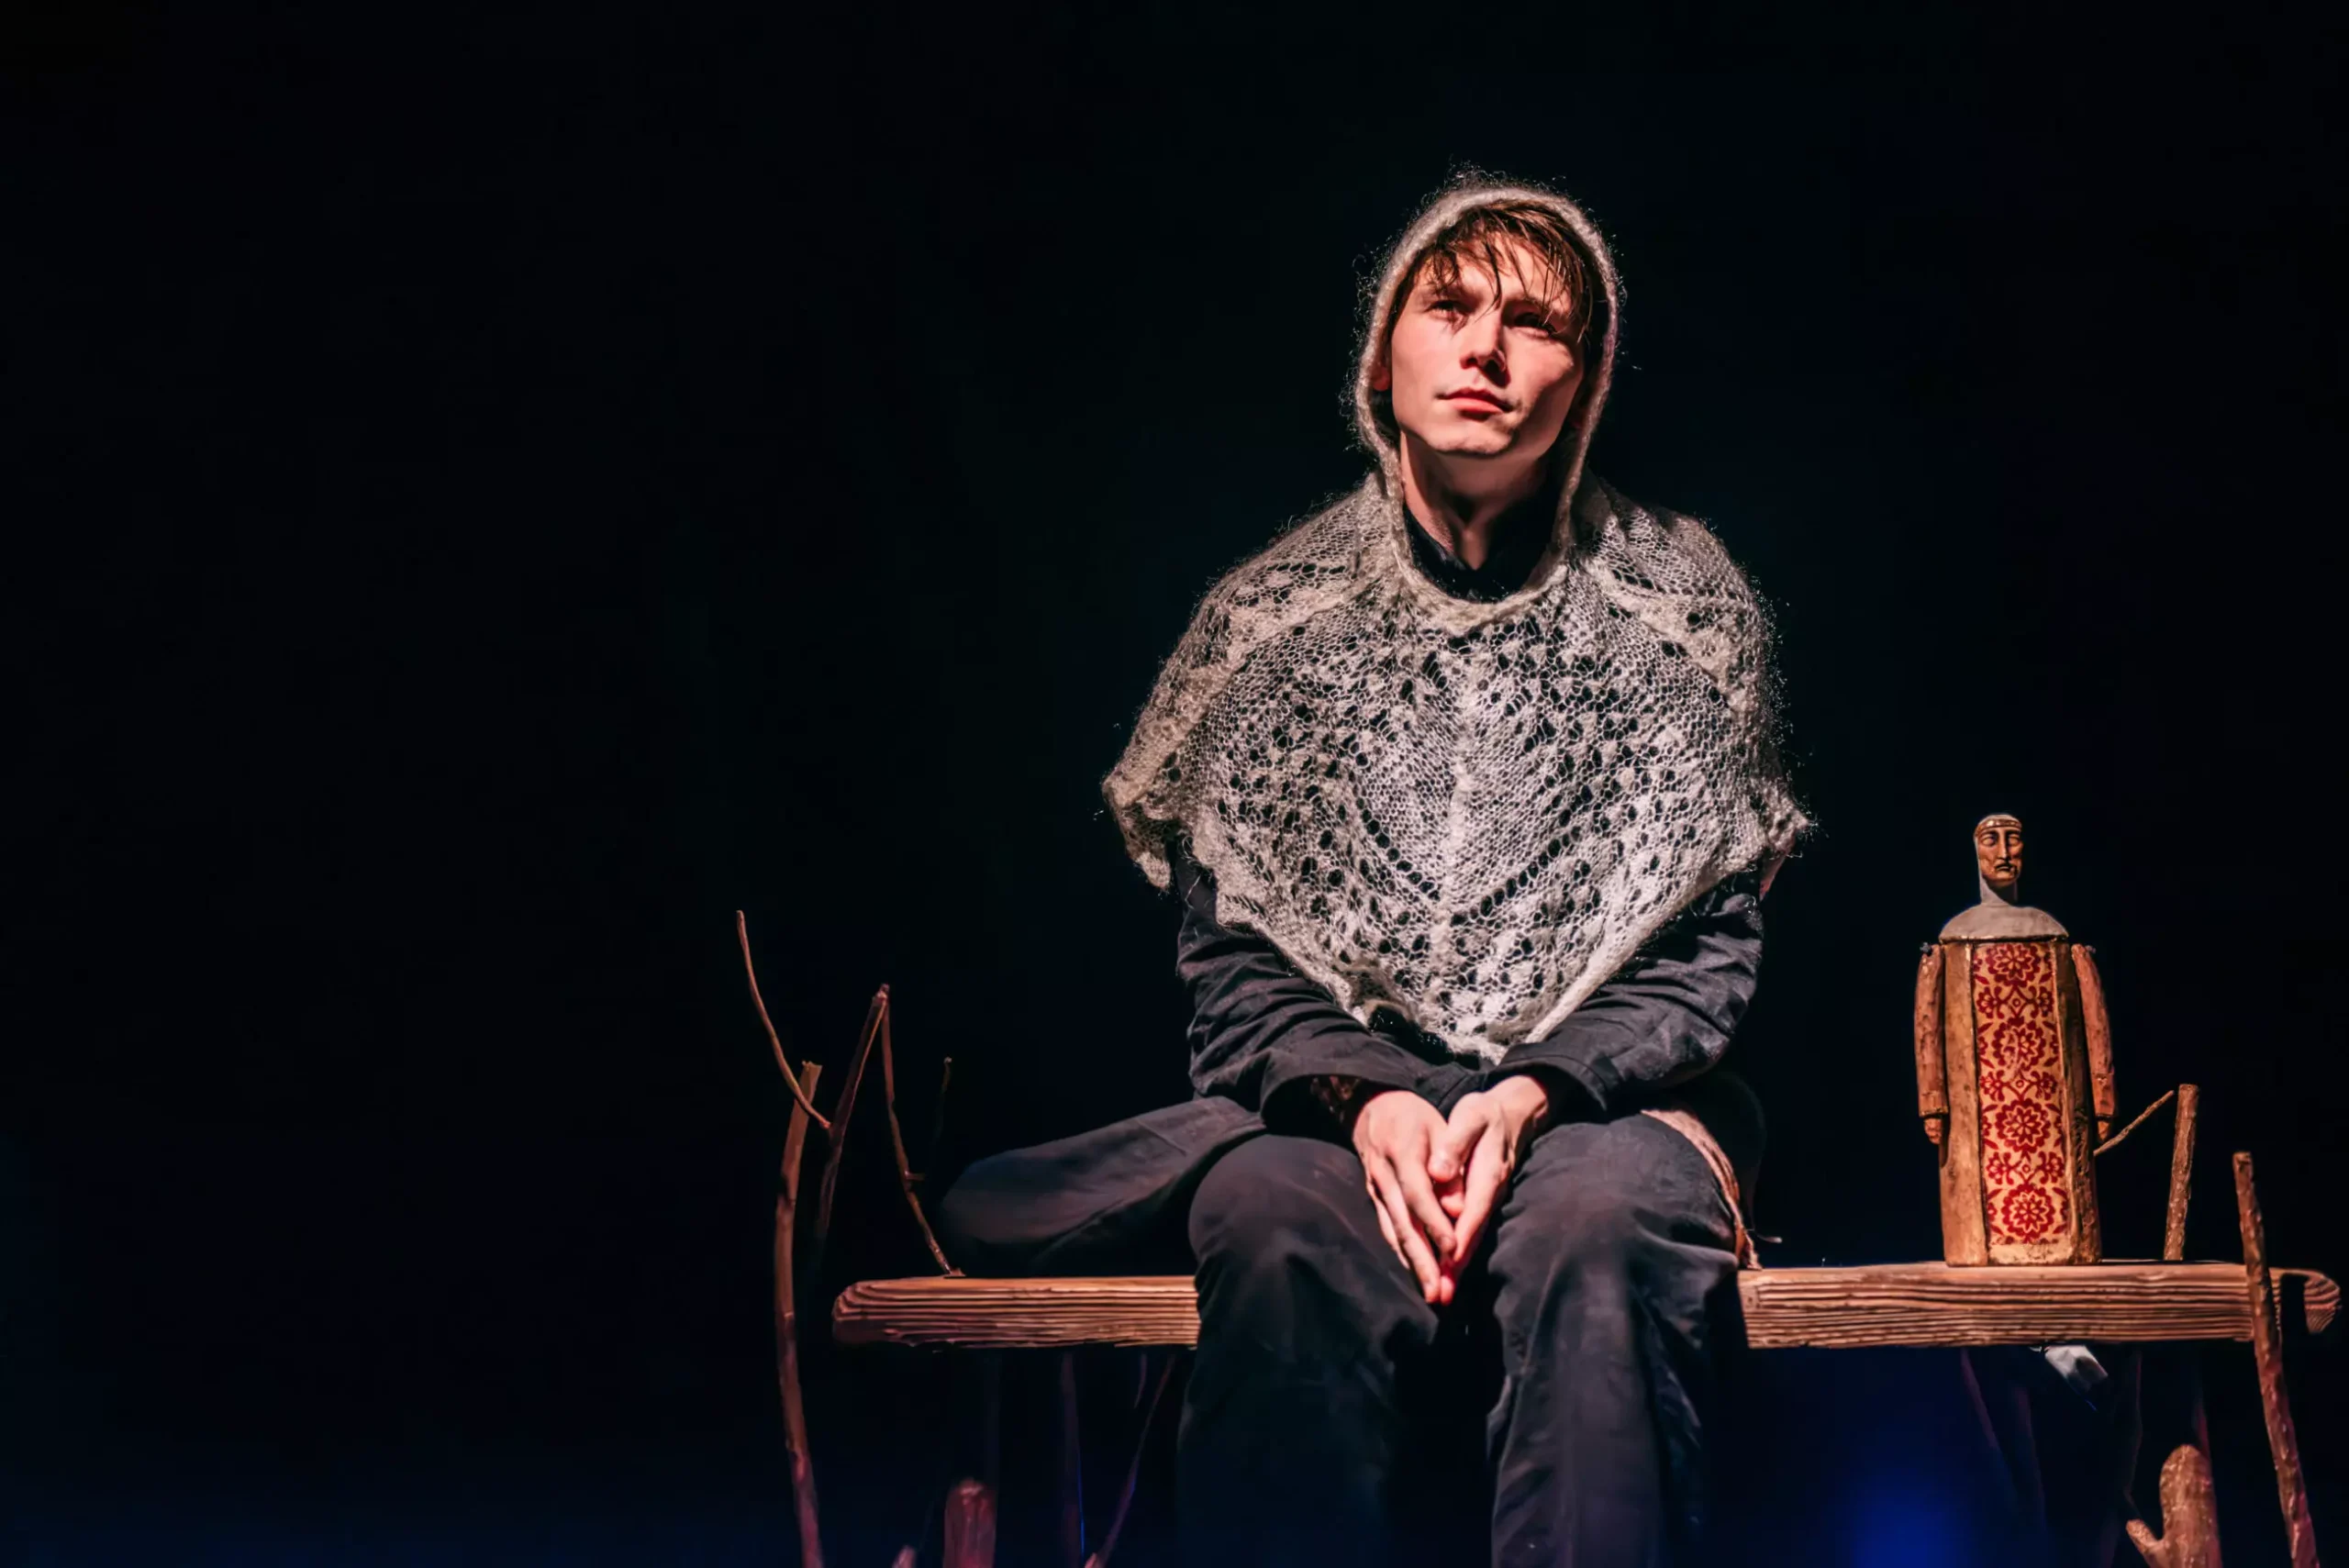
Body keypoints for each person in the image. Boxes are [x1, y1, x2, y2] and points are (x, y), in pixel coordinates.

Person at [938, 175, 1806, 1566]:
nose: (1486, 351)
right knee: (1273, 1220)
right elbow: (1235, 970)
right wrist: (1372, 1100)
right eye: (1448, 308)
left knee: (1602, 1228)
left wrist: (1530, 1091)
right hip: (1337, 1111)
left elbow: (1703, 960)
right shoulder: (1271, 628)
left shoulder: (1683, 615)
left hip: (1601, 1108)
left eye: (1536, 325)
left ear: (1583, 382)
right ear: (1382, 357)